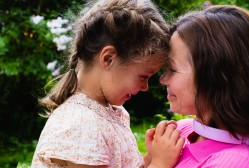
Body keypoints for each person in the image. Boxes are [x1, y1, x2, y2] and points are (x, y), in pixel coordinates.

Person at [31, 0, 184, 167]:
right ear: (108, 58)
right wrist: (160, 164)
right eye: (143, 76)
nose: (145, 87)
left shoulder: (111, 113)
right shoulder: (81, 125)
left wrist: (151, 158)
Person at [155, 5, 249, 167]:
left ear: (216, 79)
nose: (163, 80)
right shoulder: (179, 133)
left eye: (172, 69)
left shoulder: (237, 162)